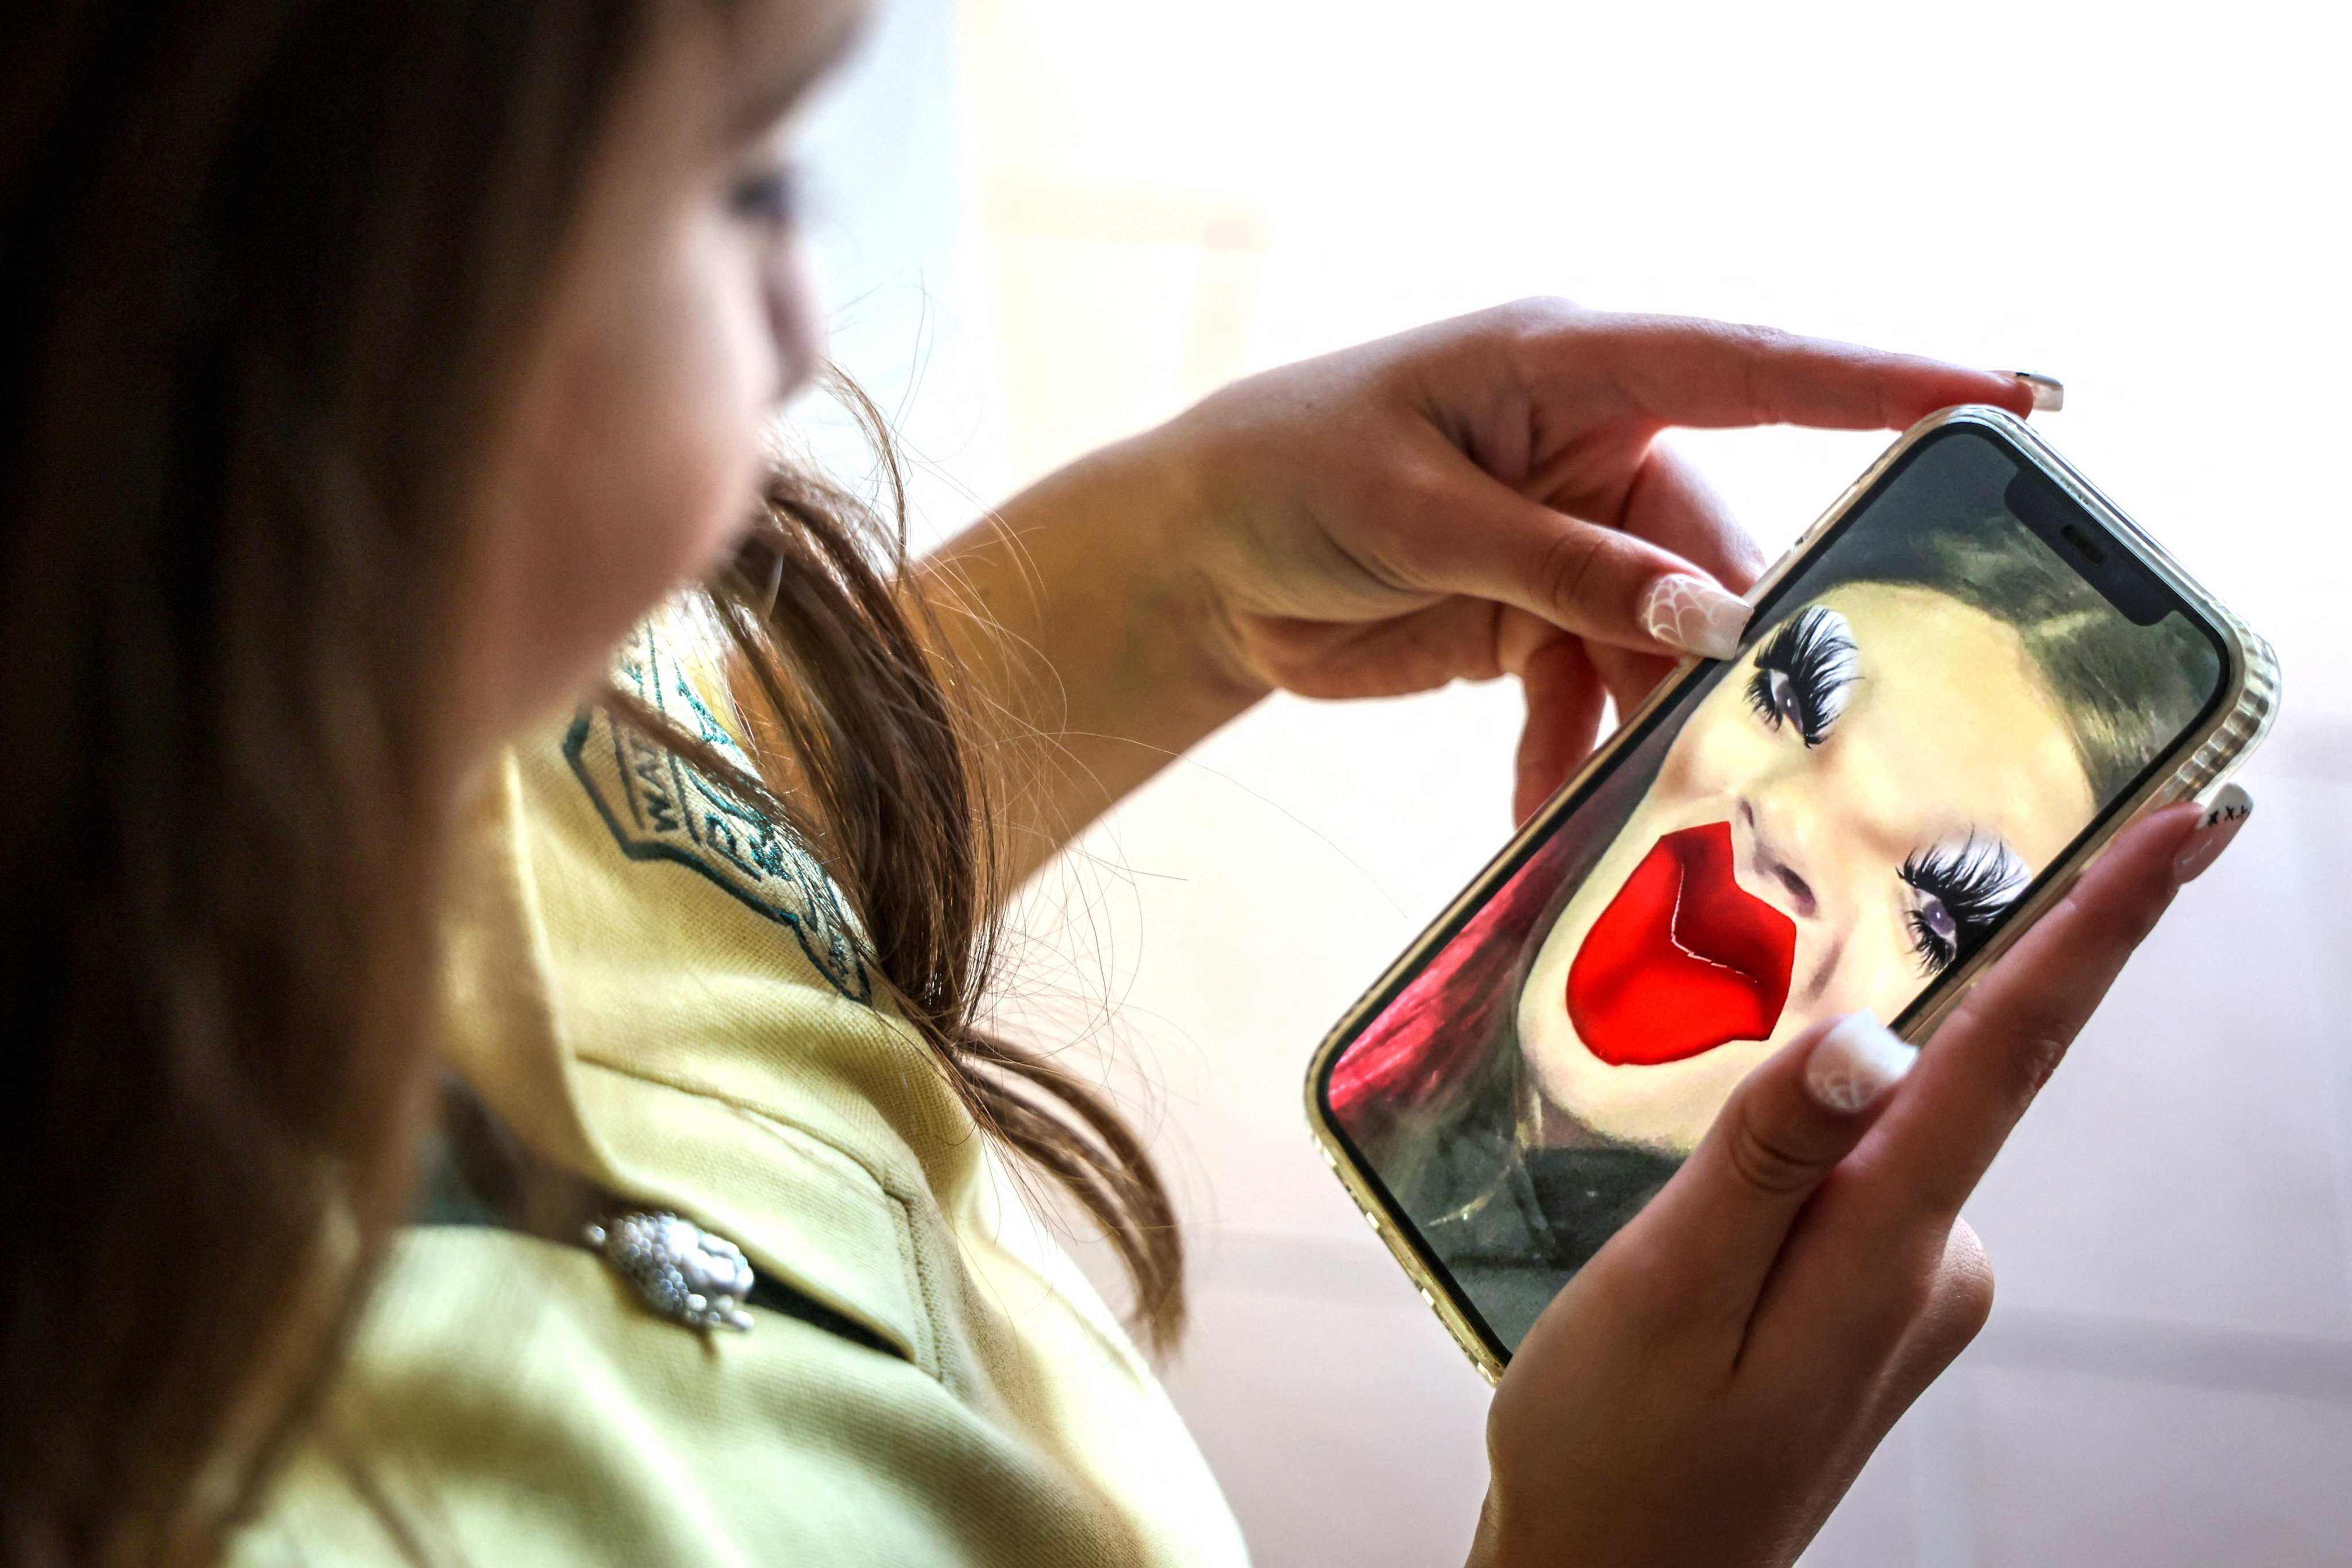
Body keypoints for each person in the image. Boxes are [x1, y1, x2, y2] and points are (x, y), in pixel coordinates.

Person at [0, 3, 2251, 1566]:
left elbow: (683, 897)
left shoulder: (330, 717)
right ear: (247, 331)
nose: (808, 322)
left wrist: (1168, 570)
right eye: (745, 174)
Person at [1329, 430, 2227, 1348]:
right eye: (1796, 699)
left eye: (1939, 912)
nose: (1792, 830)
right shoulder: (1399, 1038)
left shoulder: (1675, 1357)